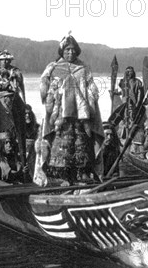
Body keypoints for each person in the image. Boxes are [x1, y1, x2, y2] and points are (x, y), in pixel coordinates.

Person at [34, 33, 104, 186]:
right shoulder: (53, 68)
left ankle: (80, 175)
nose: (70, 53)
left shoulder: (83, 69)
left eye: (73, 50)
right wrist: (52, 98)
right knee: (60, 144)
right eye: (67, 50)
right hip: (60, 117)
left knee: (81, 143)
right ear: (62, 51)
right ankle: (62, 177)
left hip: (80, 116)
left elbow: (91, 88)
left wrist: (91, 98)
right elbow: (46, 90)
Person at [0, 49, 26, 161]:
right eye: (3, 60)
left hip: (13, 101)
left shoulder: (15, 71)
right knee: (1, 128)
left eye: (8, 60)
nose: (5, 62)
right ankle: (0, 154)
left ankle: (16, 154)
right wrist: (4, 84)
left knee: (14, 127)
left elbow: (18, 85)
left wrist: (7, 84)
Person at [24, 104, 40, 181]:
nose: (27, 115)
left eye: (29, 113)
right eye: (25, 114)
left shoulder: (36, 127)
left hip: (33, 155)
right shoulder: (16, 129)